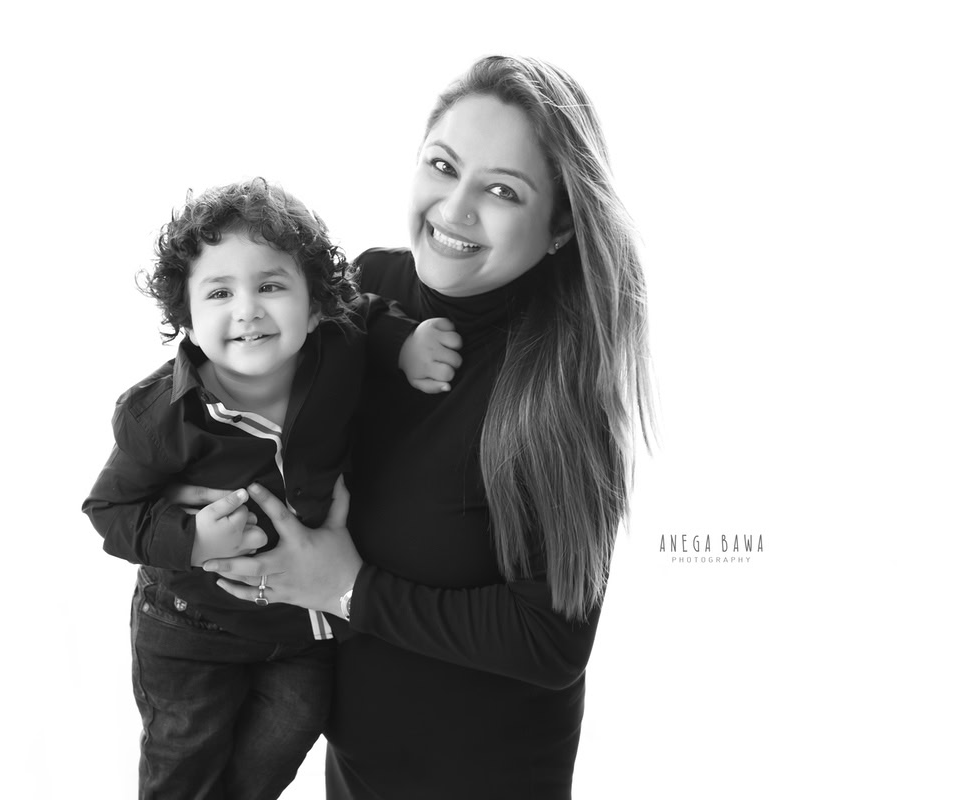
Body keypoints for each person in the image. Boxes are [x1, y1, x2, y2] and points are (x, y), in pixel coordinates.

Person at [200, 56, 653, 799]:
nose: (455, 209)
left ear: (561, 227)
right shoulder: (365, 292)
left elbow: (550, 641)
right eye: (443, 166)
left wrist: (347, 589)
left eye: (503, 190)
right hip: (353, 775)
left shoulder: (560, 391)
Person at [81, 179, 462, 800]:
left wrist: (405, 346)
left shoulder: (336, 349)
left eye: (271, 285)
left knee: (292, 728)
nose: (248, 309)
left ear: (314, 306)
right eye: (221, 292)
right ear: (189, 321)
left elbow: (367, 312)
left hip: (296, 628)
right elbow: (108, 511)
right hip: (189, 624)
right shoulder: (160, 417)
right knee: (186, 760)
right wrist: (194, 539)